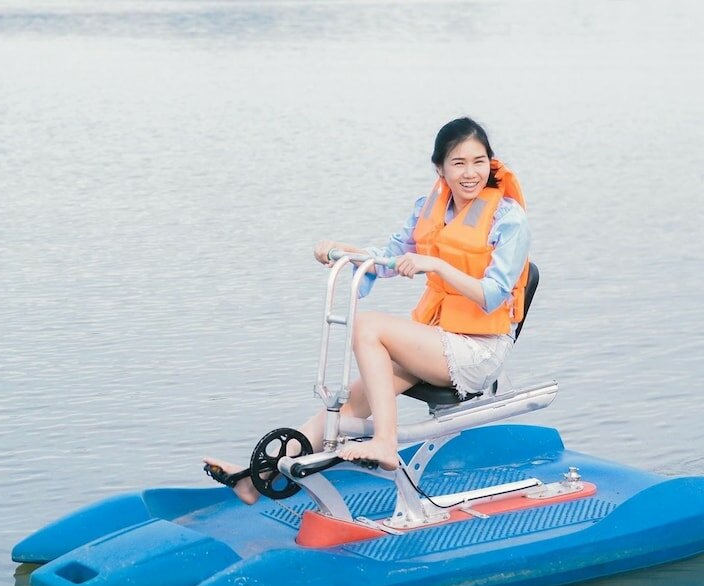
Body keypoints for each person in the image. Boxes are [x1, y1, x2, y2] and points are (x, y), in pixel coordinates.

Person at [204, 117, 532, 504]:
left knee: (369, 326)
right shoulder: (430, 209)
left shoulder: (508, 218)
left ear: (490, 164)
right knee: (345, 408)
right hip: (435, 340)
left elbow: (494, 294)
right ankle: (253, 477)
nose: (470, 173)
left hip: (478, 350)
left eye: (479, 162)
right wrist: (343, 251)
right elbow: (388, 258)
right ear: (440, 169)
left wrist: (438, 266)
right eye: (458, 163)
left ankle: (385, 443)